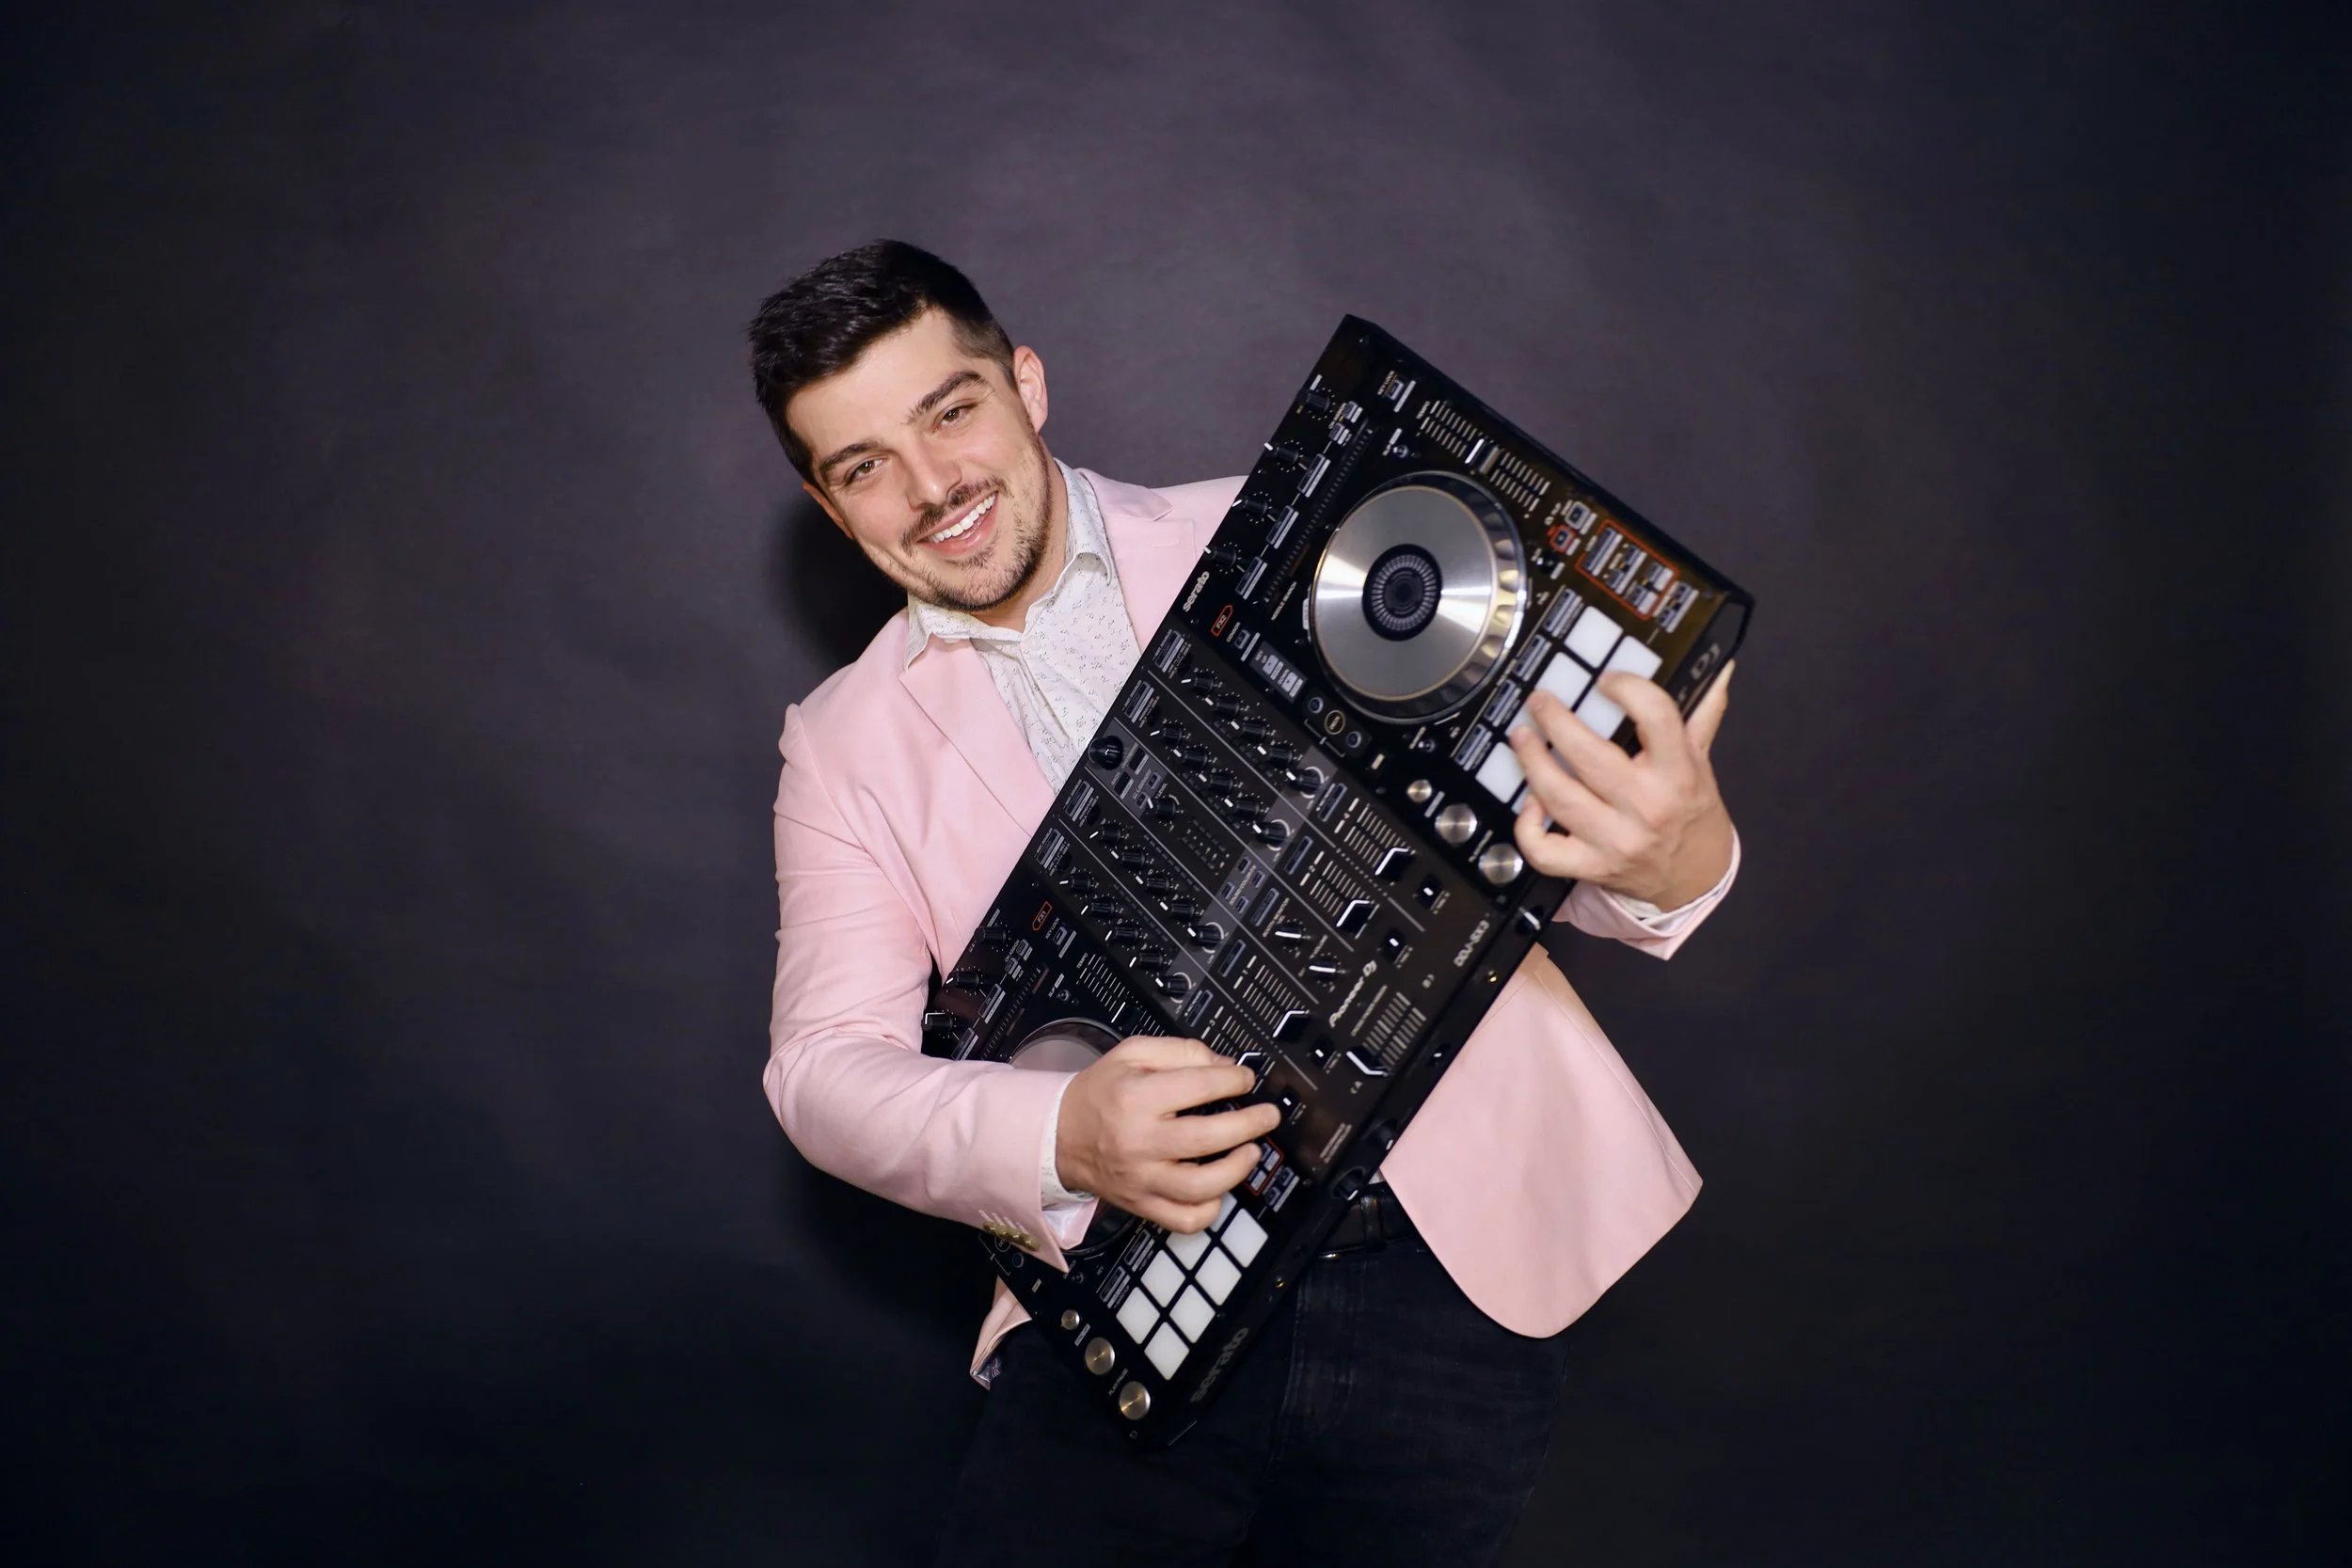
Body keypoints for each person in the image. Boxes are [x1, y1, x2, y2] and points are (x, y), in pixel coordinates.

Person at [751, 241, 1740, 1568]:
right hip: (1128, 1294)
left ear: (1025, 385)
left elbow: (1531, 846)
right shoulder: (840, 741)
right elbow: (822, 1073)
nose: (935, 488)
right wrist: (1063, 1131)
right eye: (866, 464)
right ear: (831, 506)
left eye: (952, 410)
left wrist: (1674, 858)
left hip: (1449, 1274)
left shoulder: (1295, 524)